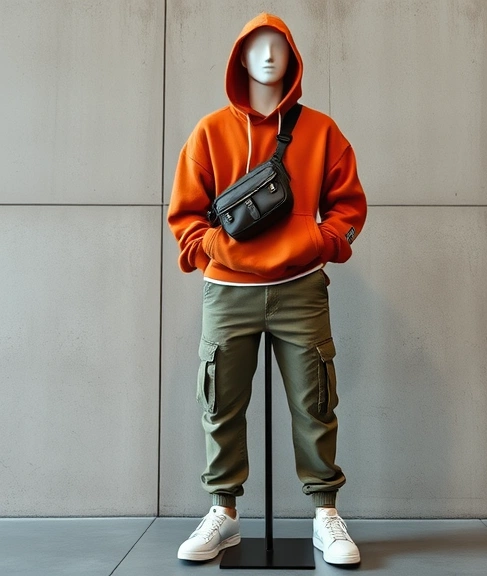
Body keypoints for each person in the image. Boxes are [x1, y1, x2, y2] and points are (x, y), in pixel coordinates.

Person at [167, 13, 367, 566]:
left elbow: (350, 207)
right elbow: (184, 217)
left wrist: (321, 242)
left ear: (294, 58)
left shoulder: (321, 131)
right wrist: (213, 249)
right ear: (239, 59)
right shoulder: (209, 132)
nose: (269, 55)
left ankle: (325, 513)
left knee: (316, 401)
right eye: (257, 46)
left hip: (301, 288)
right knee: (221, 402)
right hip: (226, 291)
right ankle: (223, 514)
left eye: (279, 46)